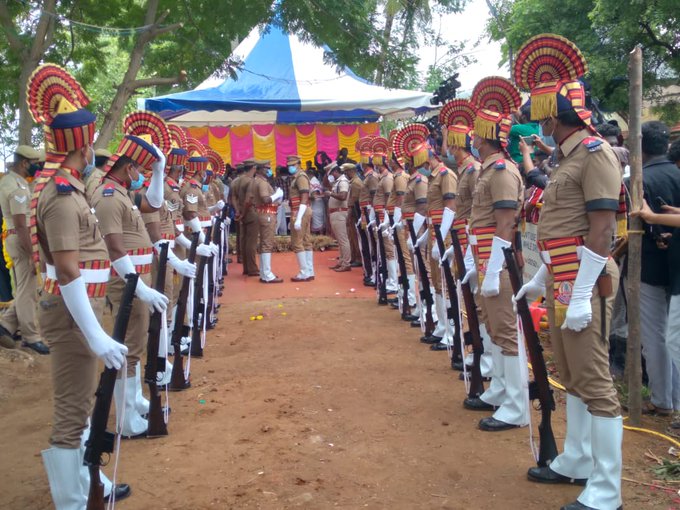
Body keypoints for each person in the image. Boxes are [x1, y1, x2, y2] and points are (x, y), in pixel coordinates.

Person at [513, 33, 624, 510]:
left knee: (595, 382)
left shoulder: (595, 153)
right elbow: (560, 225)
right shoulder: (565, 158)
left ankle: (606, 488)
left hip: (586, 281)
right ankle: (578, 458)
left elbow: (602, 231)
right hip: (562, 278)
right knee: (571, 375)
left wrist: (579, 293)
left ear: (556, 117)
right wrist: (544, 278)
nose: (539, 123)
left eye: (542, 114)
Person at [29, 63, 130, 508]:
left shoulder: (69, 189)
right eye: (90, 143)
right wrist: (95, 335)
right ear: (83, 146)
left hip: (80, 312)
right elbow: (68, 270)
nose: (94, 151)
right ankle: (72, 501)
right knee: (73, 408)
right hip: (71, 316)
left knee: (84, 400)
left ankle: (92, 485)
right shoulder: (61, 197)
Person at [92, 134, 170, 439]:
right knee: (129, 347)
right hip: (128, 282)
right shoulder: (110, 195)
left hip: (137, 280)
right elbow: (113, 246)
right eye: (139, 169)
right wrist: (138, 286)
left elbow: (154, 202)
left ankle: (134, 399)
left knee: (136, 344)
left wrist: (159, 170)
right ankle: (125, 419)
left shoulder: (123, 192)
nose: (141, 175)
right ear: (127, 168)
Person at [462, 76, 527, 431]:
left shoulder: (502, 171)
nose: (471, 137)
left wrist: (492, 267)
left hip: (497, 263)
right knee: (491, 324)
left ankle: (516, 405)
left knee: (504, 330)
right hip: (485, 258)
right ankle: (502, 389)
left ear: (486, 135)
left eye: (475, 132)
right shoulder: (489, 169)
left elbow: (505, 223)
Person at [627, 121, 680, 417]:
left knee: (655, 336)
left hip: (647, 266)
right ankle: (672, 399)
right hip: (675, 269)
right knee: (672, 334)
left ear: (640, 146)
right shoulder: (677, 173)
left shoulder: (637, 179)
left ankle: (662, 399)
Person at [0, 145, 49, 354]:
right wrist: (32, 255)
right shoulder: (17, 188)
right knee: (27, 290)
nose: (37, 167)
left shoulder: (15, 182)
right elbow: (21, 224)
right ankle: (30, 336)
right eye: (35, 163)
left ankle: (6, 325)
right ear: (24, 163)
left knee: (24, 288)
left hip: (18, 239)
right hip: (20, 240)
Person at [247, 160, 283, 283]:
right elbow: (265, 199)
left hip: (262, 213)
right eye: (266, 168)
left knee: (264, 244)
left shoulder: (256, 181)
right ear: (260, 169)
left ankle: (264, 273)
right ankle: (267, 274)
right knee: (267, 244)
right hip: (267, 213)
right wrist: (276, 195)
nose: (269, 170)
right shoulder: (262, 182)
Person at [288, 155, 314, 282]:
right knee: (305, 240)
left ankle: (304, 272)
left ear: (298, 164)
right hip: (301, 211)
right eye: (289, 165)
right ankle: (309, 270)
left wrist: (298, 218)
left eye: (292, 165)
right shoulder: (298, 177)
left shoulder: (301, 177)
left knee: (297, 242)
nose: (290, 167)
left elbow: (304, 196)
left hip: (300, 211)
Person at [325, 162, 352, 272]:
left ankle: (346, 262)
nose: (331, 175)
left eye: (331, 173)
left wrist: (330, 194)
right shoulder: (338, 182)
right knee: (340, 240)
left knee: (343, 239)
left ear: (336, 172)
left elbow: (343, 196)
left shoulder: (343, 181)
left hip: (340, 212)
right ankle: (342, 261)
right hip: (336, 212)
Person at [236, 160, 259, 276]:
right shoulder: (250, 181)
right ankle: (252, 268)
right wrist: (244, 213)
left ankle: (247, 267)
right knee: (251, 242)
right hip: (250, 213)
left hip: (244, 213)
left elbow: (234, 197)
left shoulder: (239, 180)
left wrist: (239, 212)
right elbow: (248, 200)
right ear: (254, 168)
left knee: (245, 241)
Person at [344, 162, 363, 268]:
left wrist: (349, 215)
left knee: (355, 236)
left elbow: (353, 200)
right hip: (355, 213)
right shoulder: (354, 181)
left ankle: (358, 258)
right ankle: (355, 256)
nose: (346, 174)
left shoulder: (355, 183)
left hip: (355, 213)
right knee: (352, 236)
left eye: (347, 172)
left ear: (352, 171)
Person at [274, 166, 290, 235]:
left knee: (287, 218)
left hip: (287, 201)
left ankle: (287, 231)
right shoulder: (277, 180)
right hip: (283, 202)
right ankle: (285, 232)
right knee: (283, 219)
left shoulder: (291, 179)